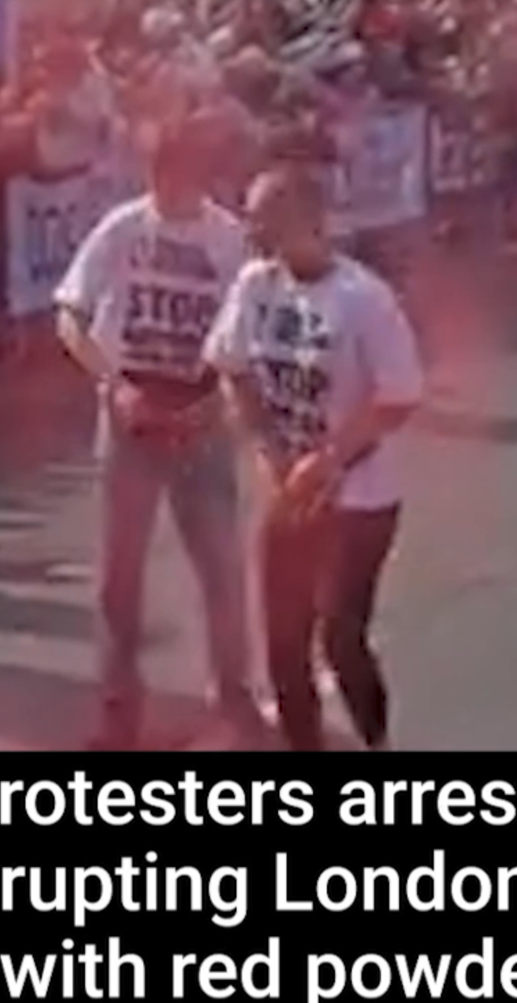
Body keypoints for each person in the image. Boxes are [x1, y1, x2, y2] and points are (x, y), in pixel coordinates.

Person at [54, 118, 261, 751]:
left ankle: (233, 693)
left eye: (178, 172)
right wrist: (112, 384)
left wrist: (218, 407)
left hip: (200, 411)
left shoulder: (230, 241)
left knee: (221, 565)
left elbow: (250, 340)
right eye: (157, 173)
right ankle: (119, 706)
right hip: (132, 410)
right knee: (121, 572)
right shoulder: (122, 229)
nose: (166, 185)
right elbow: (71, 314)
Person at [205, 165, 424, 753]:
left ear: (302, 220)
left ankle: (375, 740)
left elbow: (398, 397)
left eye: (263, 218)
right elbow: (232, 368)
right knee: (282, 641)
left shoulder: (363, 299)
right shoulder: (255, 286)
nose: (252, 230)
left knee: (340, 637)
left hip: (359, 498)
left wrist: (329, 460)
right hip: (288, 493)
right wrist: (265, 448)